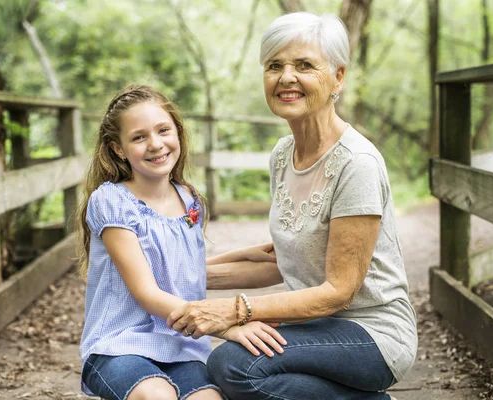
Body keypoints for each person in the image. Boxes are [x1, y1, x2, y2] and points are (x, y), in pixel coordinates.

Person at [167, 12, 418, 400]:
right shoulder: (284, 155)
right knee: (229, 360)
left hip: (371, 333)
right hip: (314, 328)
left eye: (304, 65)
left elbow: (339, 291)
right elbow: (280, 262)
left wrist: (237, 310)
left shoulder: (357, 164)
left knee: (233, 365)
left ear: (338, 77)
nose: (286, 77)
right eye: (275, 66)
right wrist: (179, 276)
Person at [76, 84, 287, 400]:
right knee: (158, 396)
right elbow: (147, 292)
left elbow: (176, 270)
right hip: (119, 345)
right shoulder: (112, 201)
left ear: (177, 132)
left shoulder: (190, 200)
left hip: (181, 346)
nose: (156, 144)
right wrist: (227, 326)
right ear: (118, 148)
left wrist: (243, 254)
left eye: (163, 130)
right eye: (138, 137)